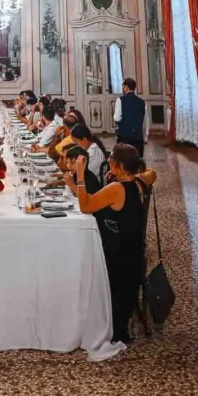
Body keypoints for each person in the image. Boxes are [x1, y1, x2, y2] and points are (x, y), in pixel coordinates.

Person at [65, 143, 156, 345]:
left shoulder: (116, 189)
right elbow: (153, 173)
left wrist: (79, 177)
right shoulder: (140, 182)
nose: (108, 161)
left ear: (121, 166)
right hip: (133, 253)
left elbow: (86, 205)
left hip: (116, 255)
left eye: (112, 159)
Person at [114, 78, 148, 158]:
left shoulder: (120, 100)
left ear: (126, 87)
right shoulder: (142, 102)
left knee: (124, 160)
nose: (122, 89)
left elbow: (117, 118)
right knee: (137, 159)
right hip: (137, 137)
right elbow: (145, 122)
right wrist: (145, 137)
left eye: (123, 87)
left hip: (124, 136)